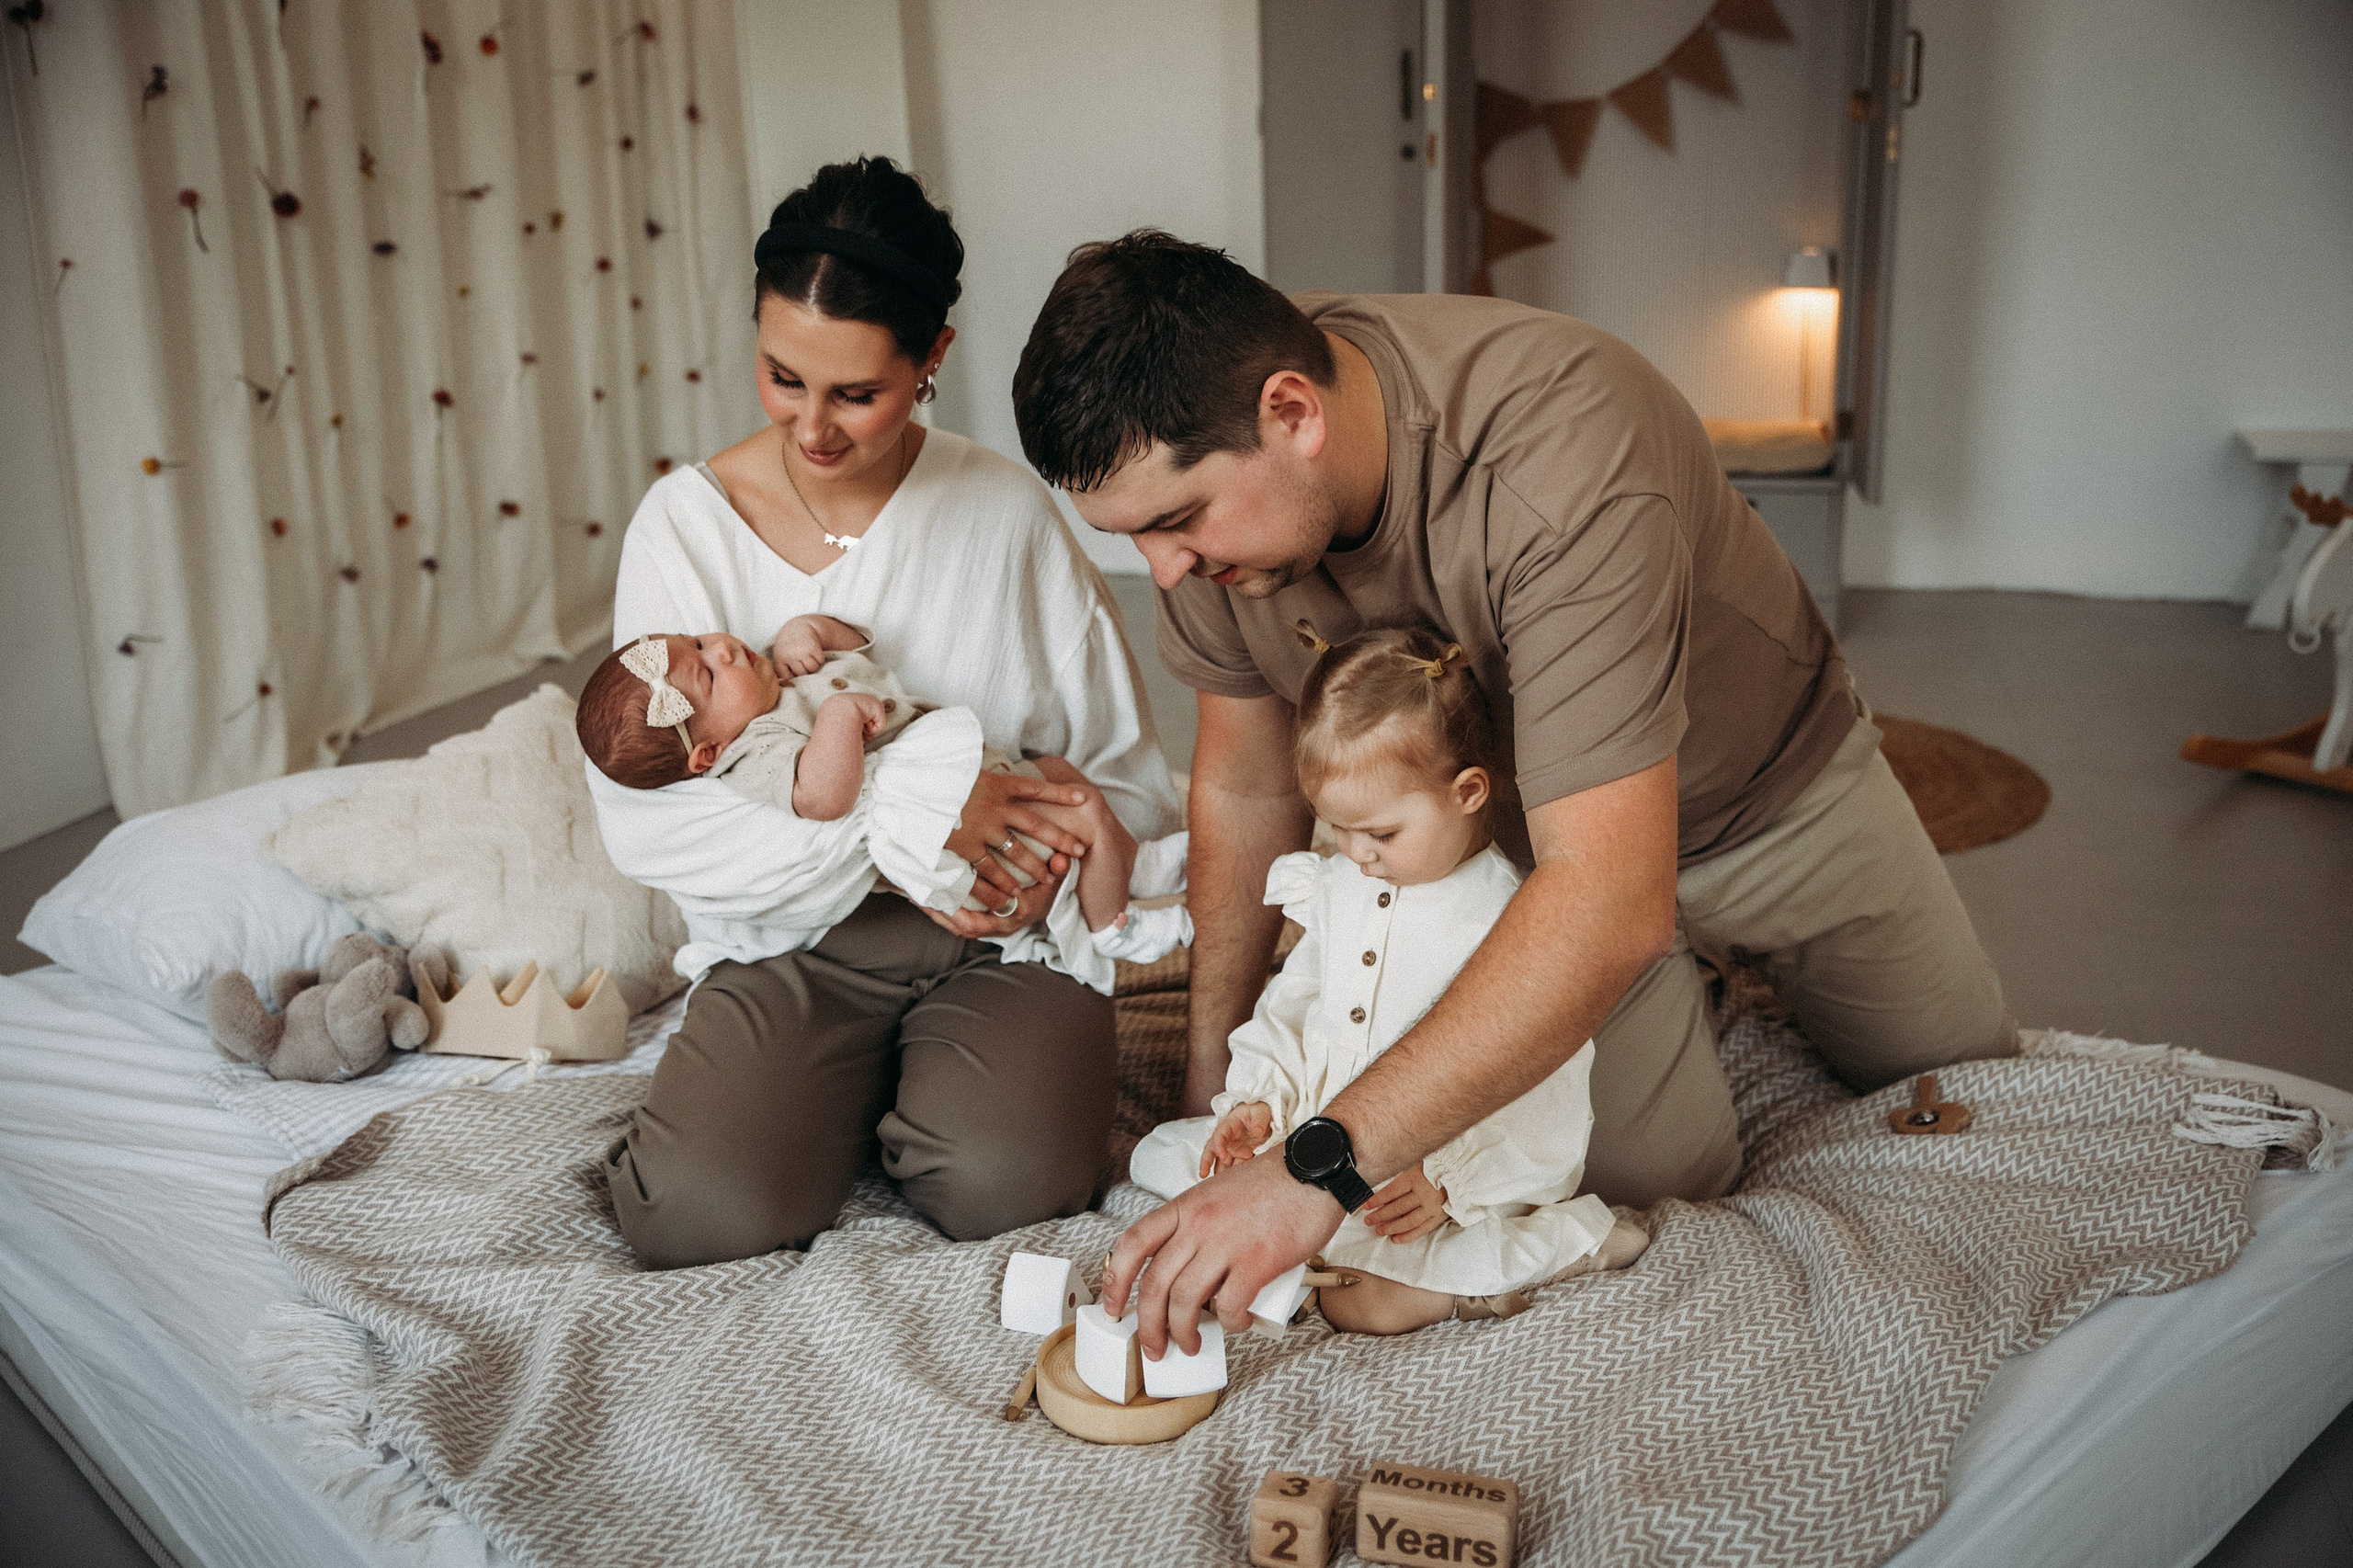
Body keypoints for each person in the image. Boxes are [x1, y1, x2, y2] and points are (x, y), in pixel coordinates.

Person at [1009, 230, 2014, 1357]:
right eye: (1131, 535)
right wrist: (1214, 1090)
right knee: (1649, 1170)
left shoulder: (1563, 448)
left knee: (1968, 1086)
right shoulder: (1218, 511)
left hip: (1759, 800)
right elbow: (1243, 787)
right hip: (1510, 859)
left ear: (1293, 412)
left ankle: (1703, 965)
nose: (1163, 571)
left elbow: (1611, 895)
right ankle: (1666, 984)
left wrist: (1317, 1168)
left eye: (1176, 520)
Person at [587, 161, 1181, 1271]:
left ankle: (917, 1098)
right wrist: (910, 806)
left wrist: (1037, 832)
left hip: (1001, 930)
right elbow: (648, 822)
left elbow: (1130, 777)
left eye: (855, 393)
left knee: (1009, 1186)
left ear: (931, 362)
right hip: (793, 943)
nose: (812, 427)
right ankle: (832, 1096)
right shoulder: (683, 529)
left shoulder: (1000, 512)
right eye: (781, 376)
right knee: (695, 1213)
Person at [1129, 625, 1643, 1335]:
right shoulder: (1339, 883)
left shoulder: (1504, 913)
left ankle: (1566, 1245)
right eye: (1336, 829)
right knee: (1160, 1159)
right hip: (1321, 1135)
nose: (1355, 855)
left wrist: (1450, 1183)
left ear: (1466, 792)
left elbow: (1539, 1072)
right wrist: (1258, 1100)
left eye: (1380, 834)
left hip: (1429, 1170)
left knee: (1365, 1303)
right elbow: (1299, 1000)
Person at [574, 621, 1191, 990]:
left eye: (702, 642)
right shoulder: (756, 753)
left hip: (982, 773)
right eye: (707, 675)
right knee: (1077, 811)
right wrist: (838, 720)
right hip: (946, 834)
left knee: (1062, 775)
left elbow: (859, 639)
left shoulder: (775, 679)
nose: (724, 651)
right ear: (708, 754)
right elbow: (824, 797)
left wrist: (810, 631)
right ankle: (1117, 926)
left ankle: (1131, 869)